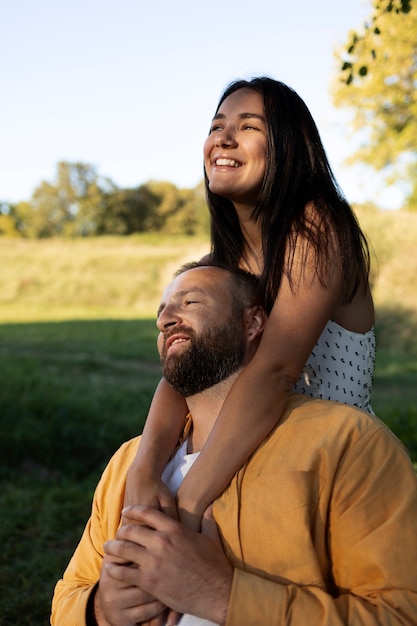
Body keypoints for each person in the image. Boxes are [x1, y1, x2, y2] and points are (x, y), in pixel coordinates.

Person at [51, 263, 417, 626]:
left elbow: (400, 613)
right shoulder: (129, 463)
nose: (166, 320)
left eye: (190, 302)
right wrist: (100, 610)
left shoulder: (344, 443)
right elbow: (70, 593)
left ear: (253, 323)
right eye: (161, 314)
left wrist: (224, 597)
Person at [124, 76, 376, 530]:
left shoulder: (316, 228)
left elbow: (277, 370)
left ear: (287, 146)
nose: (223, 137)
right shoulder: (222, 267)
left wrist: (190, 500)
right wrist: (143, 471)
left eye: (248, 126)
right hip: (251, 456)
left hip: (325, 461)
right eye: (217, 125)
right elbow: (185, 374)